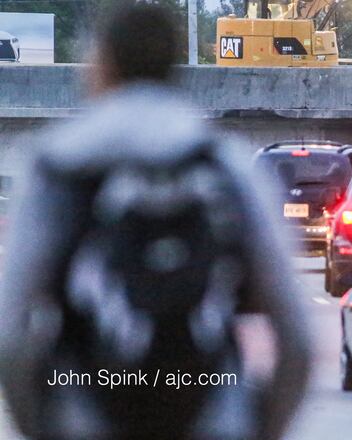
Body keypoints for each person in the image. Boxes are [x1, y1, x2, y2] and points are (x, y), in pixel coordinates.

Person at [0, 3, 309, 439]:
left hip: (84, 413)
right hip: (213, 413)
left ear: (103, 63)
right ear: (172, 66)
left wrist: (41, 423)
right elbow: (296, 337)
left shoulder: (57, 167)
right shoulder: (227, 167)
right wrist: (260, 426)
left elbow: (11, 329)